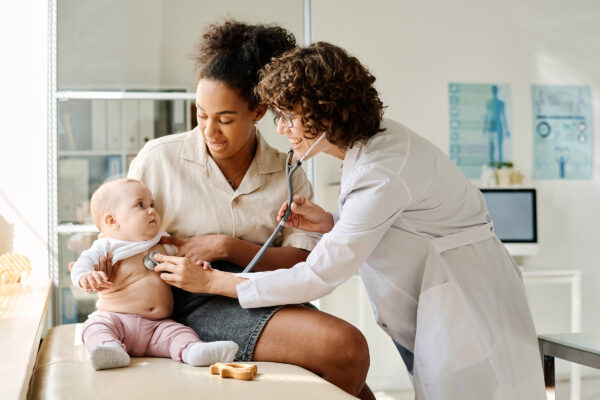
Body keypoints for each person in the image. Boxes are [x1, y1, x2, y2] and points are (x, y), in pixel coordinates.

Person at [152, 42, 547, 400]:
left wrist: (214, 281)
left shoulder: (380, 168)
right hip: (441, 290)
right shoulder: (372, 147)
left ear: (325, 113)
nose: (281, 129)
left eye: (289, 117)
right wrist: (331, 223)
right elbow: (394, 222)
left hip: (464, 295)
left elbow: (319, 276)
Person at [126, 22, 373, 399]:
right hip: (190, 300)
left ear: (258, 111)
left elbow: (299, 261)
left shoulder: (286, 171)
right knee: (344, 347)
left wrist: (226, 246)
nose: (210, 130)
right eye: (201, 115)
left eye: (225, 119)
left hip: (263, 289)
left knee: (353, 374)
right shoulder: (158, 160)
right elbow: (120, 242)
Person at [71, 178, 238, 371]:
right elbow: (81, 265)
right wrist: (85, 276)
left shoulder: (163, 241)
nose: (151, 210)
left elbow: (186, 262)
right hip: (117, 319)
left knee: (180, 332)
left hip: (158, 325)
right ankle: (109, 348)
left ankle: (194, 351)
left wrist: (199, 267)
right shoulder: (106, 246)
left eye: (152, 204)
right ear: (112, 220)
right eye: (140, 205)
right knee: (95, 326)